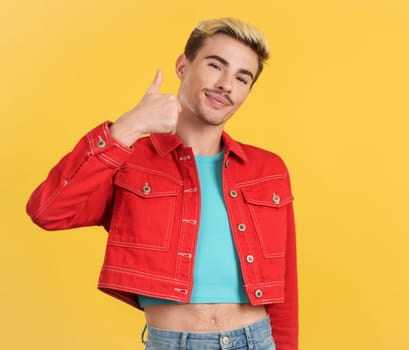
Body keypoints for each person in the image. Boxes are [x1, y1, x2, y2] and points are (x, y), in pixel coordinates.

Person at [26, 17, 298, 350]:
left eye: (242, 78)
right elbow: (49, 211)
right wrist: (127, 127)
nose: (227, 85)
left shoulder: (267, 169)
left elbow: (285, 288)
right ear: (183, 66)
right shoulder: (130, 158)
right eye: (216, 65)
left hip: (257, 340)